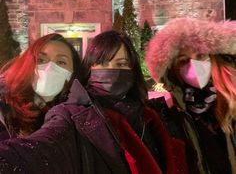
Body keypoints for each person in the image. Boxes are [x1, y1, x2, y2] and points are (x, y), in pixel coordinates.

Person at [0, 30, 188, 174]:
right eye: (103, 63)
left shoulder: (153, 117)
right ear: (89, 69)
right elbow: (40, 150)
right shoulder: (72, 114)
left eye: (122, 64)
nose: (112, 71)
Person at [145, 17, 236, 174]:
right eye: (183, 60)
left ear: (213, 58)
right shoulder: (171, 112)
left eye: (200, 56)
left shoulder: (231, 101)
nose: (194, 65)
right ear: (172, 69)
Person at [0, 33, 81, 139]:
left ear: (72, 73)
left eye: (61, 62)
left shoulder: (77, 112)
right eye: (41, 60)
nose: (49, 68)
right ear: (27, 63)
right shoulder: (4, 103)